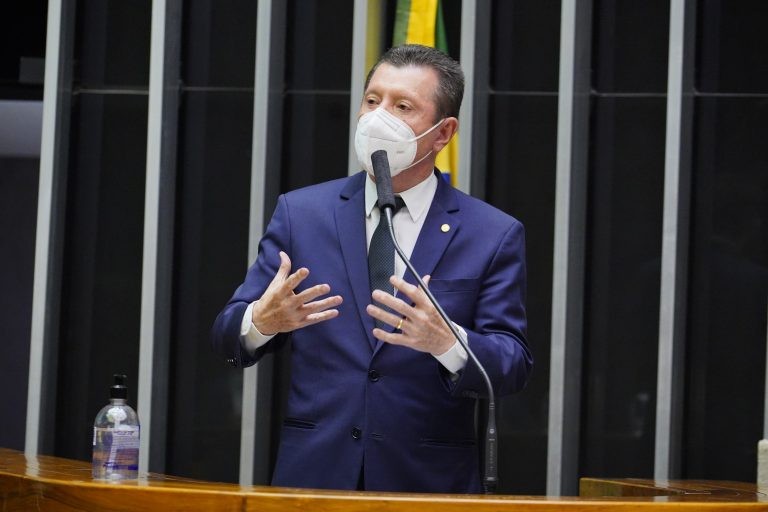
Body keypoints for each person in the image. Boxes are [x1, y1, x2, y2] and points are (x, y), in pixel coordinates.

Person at [211, 44, 532, 493]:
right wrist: (260, 323)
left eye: (403, 107)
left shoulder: (492, 233)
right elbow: (228, 336)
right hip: (315, 481)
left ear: (443, 133)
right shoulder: (302, 213)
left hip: (427, 486)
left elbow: (513, 364)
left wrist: (449, 343)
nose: (379, 118)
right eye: (372, 100)